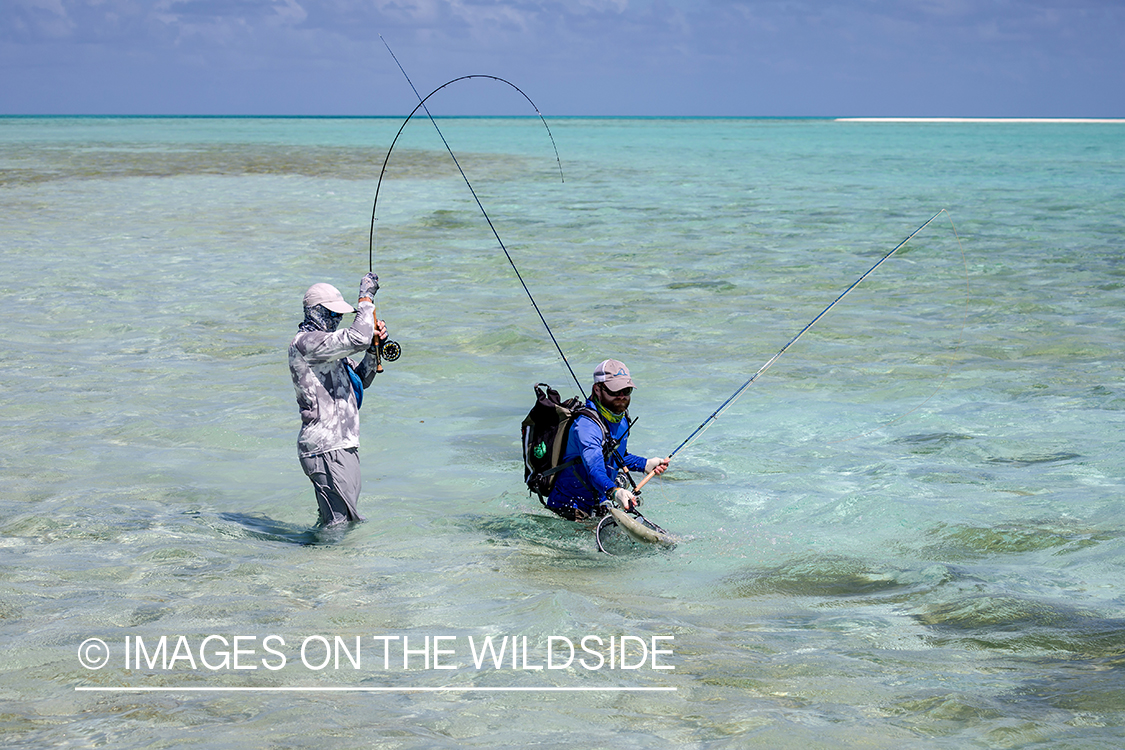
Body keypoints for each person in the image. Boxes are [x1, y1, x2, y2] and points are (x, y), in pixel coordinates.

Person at [288, 273, 387, 526]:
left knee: (341, 523)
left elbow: (361, 380)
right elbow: (357, 338)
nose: (336, 319)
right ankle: (327, 563)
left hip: (342, 444)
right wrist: (366, 298)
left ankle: (325, 563)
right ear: (314, 312)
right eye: (331, 314)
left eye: (339, 315)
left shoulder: (331, 350)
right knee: (340, 524)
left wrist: (374, 348)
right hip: (326, 447)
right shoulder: (306, 343)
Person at [545, 359, 669, 521]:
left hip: (601, 503)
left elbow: (616, 456)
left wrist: (644, 464)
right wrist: (615, 491)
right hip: (569, 508)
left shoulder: (621, 417)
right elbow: (595, 470)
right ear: (597, 389)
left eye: (627, 390)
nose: (622, 396)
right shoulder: (585, 427)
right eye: (615, 390)